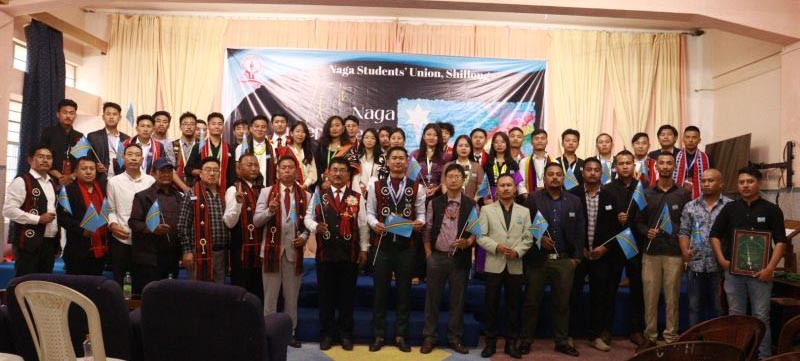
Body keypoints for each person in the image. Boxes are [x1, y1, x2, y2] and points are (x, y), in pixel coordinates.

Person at [710, 167, 787, 359]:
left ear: (758, 183)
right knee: (735, 316)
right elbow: (714, 235)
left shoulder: (772, 210)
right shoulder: (730, 209)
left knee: (761, 317)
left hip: (761, 275)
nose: (745, 185)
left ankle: (764, 356)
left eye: (750, 181)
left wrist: (770, 268)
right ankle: (737, 355)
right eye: (741, 182)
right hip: (733, 274)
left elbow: (781, 242)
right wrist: (722, 260)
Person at [520, 162, 586, 357]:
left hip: (564, 261)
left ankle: (562, 341)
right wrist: (538, 238)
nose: (555, 177)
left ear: (563, 178)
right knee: (532, 302)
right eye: (551, 174)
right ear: (545, 178)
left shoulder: (574, 201)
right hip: (537, 260)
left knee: (562, 304)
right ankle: (526, 340)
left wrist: (576, 258)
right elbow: (524, 224)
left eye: (558, 174)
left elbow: (580, 229)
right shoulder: (533, 199)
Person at [305, 157, 369, 351]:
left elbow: (363, 225)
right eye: (335, 170)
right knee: (326, 297)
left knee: (347, 297)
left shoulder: (357, 197)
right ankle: (326, 334)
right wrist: (315, 226)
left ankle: (346, 335)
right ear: (328, 173)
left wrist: (364, 249)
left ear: (348, 175)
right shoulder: (319, 195)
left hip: (349, 254)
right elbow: (307, 218)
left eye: (342, 170)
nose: (338, 173)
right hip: (325, 254)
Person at [366, 147, 426, 353]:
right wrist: (375, 224)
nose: (398, 161)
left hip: (406, 247)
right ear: (388, 162)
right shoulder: (375, 185)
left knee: (404, 293)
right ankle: (379, 335)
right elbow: (369, 213)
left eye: (402, 158)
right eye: (394, 158)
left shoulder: (417, 187)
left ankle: (401, 336)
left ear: (407, 162)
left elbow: (421, 214)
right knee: (379, 293)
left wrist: (419, 223)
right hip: (382, 246)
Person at [253, 155, 311, 348]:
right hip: (271, 251)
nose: (287, 170)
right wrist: (270, 210)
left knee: (291, 297)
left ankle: (290, 333)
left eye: (290, 167)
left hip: (294, 252)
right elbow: (256, 221)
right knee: (270, 297)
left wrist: (304, 237)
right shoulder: (266, 192)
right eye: (283, 167)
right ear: (277, 172)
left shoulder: (306, 195)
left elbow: (309, 225)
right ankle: (268, 333)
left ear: (296, 171)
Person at [634, 152, 691, 350]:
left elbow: (688, 223)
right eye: (662, 163)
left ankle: (671, 337)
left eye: (669, 163)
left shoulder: (683, 194)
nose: (665, 166)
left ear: (674, 167)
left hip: (674, 253)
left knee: (672, 298)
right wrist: (646, 231)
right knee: (649, 297)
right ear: (656, 167)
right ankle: (650, 336)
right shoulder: (645, 193)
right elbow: (638, 221)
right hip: (651, 253)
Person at [421, 164, 476, 355]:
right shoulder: (435, 203)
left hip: (460, 258)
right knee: (432, 300)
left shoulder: (471, 204)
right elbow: (427, 229)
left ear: (463, 180)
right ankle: (429, 337)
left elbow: (476, 232)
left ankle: (455, 338)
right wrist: (428, 254)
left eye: (457, 176)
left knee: (457, 301)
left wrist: (467, 242)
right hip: (437, 257)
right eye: (450, 176)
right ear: (444, 180)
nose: (453, 179)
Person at [477, 173, 533, 359]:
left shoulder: (524, 212)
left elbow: (529, 237)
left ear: (515, 189)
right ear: (497, 189)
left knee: (513, 307)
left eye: (509, 185)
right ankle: (490, 344)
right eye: (502, 185)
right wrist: (496, 247)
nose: (506, 188)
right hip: (494, 263)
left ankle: (511, 344)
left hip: (515, 264)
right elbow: (480, 236)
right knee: (491, 306)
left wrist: (517, 251)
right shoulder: (486, 210)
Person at [567, 157, 618, 352]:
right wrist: (577, 247)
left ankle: (595, 335)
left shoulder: (610, 197)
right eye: (589, 169)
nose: (593, 173)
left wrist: (605, 248)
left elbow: (616, 229)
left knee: (599, 297)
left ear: (601, 173)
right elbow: (566, 226)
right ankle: (569, 335)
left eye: (597, 170)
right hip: (578, 255)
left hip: (601, 256)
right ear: (583, 172)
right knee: (573, 296)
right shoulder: (572, 195)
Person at [603, 150, 647, 347]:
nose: (625, 166)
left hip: (635, 244)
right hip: (614, 245)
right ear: (615, 167)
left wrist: (631, 220)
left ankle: (636, 330)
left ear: (633, 165)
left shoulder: (642, 188)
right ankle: (606, 330)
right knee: (609, 289)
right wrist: (616, 218)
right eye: (621, 163)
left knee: (637, 289)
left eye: (628, 163)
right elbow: (602, 218)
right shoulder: (607, 189)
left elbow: (646, 216)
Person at [678, 168, 731, 327]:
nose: (706, 184)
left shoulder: (730, 206)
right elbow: (684, 231)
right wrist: (684, 251)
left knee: (719, 307)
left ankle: (717, 339)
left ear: (721, 183)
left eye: (711, 180)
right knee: (694, 307)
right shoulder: (690, 206)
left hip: (720, 265)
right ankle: (695, 339)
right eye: (703, 181)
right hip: (696, 263)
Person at [4, 146, 60, 276]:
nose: (45, 160)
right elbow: (8, 210)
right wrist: (38, 219)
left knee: (44, 283)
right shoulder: (22, 180)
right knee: (25, 282)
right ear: (30, 160)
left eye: (49, 158)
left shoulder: (52, 183)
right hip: (28, 243)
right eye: (41, 157)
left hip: (49, 243)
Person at [128, 158, 182, 293]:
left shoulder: (179, 197)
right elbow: (134, 222)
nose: (166, 174)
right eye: (162, 171)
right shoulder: (143, 196)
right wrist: (152, 229)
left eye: (169, 171)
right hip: (149, 258)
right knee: (149, 295)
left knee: (170, 296)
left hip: (172, 257)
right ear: (153, 173)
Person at [106, 143, 156, 285]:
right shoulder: (113, 182)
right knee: (121, 282)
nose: (134, 158)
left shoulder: (151, 181)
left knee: (143, 282)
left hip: (145, 239)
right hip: (122, 236)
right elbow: (110, 208)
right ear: (123, 158)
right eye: (130, 154)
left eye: (137, 155)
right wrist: (112, 224)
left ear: (142, 160)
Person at [178, 157, 230, 283]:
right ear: (200, 174)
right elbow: (182, 225)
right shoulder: (191, 195)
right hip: (198, 252)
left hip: (221, 253)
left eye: (215, 170)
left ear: (219, 173)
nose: (212, 173)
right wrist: (187, 251)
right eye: (207, 170)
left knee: (219, 290)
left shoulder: (225, 195)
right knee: (198, 290)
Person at [224, 153, 266, 299]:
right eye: (249, 165)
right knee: (241, 293)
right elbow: (229, 222)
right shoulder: (233, 189)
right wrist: (238, 203)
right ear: (239, 169)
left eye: (256, 165)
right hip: (241, 251)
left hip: (260, 251)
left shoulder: (263, 190)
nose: (254, 168)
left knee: (260, 292)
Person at [56, 156, 108, 276]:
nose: (88, 172)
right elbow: (62, 218)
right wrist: (82, 229)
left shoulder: (102, 189)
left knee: (96, 284)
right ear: (76, 171)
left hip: (100, 250)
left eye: (92, 168)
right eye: (84, 168)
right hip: (77, 250)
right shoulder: (68, 191)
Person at [186, 113, 236, 192]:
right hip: (202, 189)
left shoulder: (229, 148)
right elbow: (188, 169)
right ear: (208, 126)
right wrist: (201, 172)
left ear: (223, 127)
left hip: (224, 189)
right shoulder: (198, 146)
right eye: (213, 124)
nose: (217, 126)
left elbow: (232, 174)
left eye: (220, 124)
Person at [39, 99, 83, 186]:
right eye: (65, 112)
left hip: (74, 181)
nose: (68, 116)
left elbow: (83, 160)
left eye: (71, 113)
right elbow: (43, 158)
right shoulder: (48, 133)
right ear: (58, 114)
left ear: (75, 116)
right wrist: (60, 177)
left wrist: (72, 176)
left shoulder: (80, 136)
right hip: (51, 179)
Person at [87, 102, 130, 183]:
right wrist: (95, 166)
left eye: (114, 114)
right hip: (101, 179)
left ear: (120, 117)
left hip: (121, 180)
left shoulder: (126, 138)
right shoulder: (93, 136)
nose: (111, 117)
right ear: (103, 117)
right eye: (108, 114)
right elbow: (87, 158)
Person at [315, 115, 359, 189]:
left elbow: (351, 171)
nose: (334, 128)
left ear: (343, 128)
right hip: (323, 186)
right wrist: (322, 183)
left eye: (337, 125)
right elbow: (317, 168)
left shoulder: (350, 148)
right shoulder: (321, 146)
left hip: (343, 187)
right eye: (331, 126)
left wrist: (335, 182)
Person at [236, 115, 277, 188]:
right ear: (251, 128)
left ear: (267, 129)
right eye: (257, 126)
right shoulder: (241, 147)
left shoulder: (273, 148)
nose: (260, 129)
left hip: (268, 187)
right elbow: (238, 170)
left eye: (263, 127)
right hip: (248, 188)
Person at [674, 126, 712, 200]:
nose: (690, 140)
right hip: (677, 196)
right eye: (687, 137)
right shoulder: (674, 157)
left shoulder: (707, 158)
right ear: (683, 139)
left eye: (694, 137)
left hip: (700, 197)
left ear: (699, 140)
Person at [412, 123, 448, 200]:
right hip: (418, 194)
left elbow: (447, 179)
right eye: (428, 134)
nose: (431, 137)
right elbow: (411, 177)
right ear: (424, 137)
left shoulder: (446, 157)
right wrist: (422, 189)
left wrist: (436, 188)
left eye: (435, 135)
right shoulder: (415, 154)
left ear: (439, 138)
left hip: (439, 196)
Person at [443, 135, 485, 200]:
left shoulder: (477, 167)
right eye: (460, 146)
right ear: (455, 148)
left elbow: (481, 187)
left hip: (471, 203)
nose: (463, 148)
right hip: (451, 203)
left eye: (466, 146)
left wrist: (473, 202)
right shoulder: (448, 166)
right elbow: (444, 185)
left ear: (471, 149)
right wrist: (451, 201)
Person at [483, 132, 519, 202]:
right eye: (496, 142)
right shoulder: (487, 164)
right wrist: (486, 199)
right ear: (493, 145)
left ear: (507, 144)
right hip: (491, 199)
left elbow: (517, 183)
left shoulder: (513, 164)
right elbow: (484, 185)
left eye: (503, 142)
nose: (499, 145)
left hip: (509, 198)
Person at [518, 128, 554, 199]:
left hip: (550, 200)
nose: (539, 141)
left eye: (542, 138)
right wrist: (530, 200)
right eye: (536, 138)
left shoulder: (554, 162)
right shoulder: (524, 162)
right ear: (531, 142)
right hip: (529, 199)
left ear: (547, 141)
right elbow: (520, 185)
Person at [288, 121, 318, 190]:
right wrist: (297, 185)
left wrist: (305, 185)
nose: (300, 134)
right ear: (291, 133)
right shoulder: (286, 150)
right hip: (290, 188)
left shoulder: (308, 152)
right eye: (297, 131)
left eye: (303, 132)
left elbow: (313, 173)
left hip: (306, 188)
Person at [354, 128, 383, 198]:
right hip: (358, 191)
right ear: (362, 140)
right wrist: (360, 187)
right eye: (366, 137)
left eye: (372, 138)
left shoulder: (382, 158)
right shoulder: (356, 157)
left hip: (376, 192)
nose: (369, 140)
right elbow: (354, 177)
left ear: (376, 141)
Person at [172, 112, 197, 188]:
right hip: (176, 187)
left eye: (192, 124)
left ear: (196, 127)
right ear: (180, 127)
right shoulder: (171, 145)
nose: (189, 127)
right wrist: (184, 188)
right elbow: (171, 170)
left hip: (198, 186)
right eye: (185, 124)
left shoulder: (202, 146)